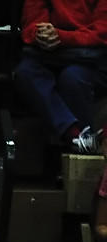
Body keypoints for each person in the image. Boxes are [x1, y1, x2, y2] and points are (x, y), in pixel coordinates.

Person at [15, 0, 107, 150]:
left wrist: (63, 37)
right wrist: (40, 34)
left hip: (90, 58)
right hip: (52, 54)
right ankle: (75, 136)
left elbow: (102, 32)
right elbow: (32, 20)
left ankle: (82, 147)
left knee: (72, 77)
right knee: (25, 72)